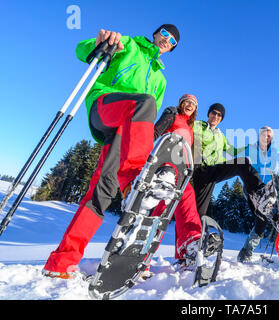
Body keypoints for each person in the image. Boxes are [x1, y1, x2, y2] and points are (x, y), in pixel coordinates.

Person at [43, 24, 180, 279]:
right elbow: (81, 50)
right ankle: (135, 181)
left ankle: (61, 262)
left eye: (172, 40)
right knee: (145, 103)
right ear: (155, 33)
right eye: (164, 33)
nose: (167, 40)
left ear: (172, 48)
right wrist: (100, 42)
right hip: (105, 106)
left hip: (126, 131)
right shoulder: (128, 44)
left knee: (102, 191)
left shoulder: (160, 79)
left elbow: (145, 123)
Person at [149, 94, 202, 269]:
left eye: (193, 104)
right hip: (166, 166)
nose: (190, 105)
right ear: (181, 103)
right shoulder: (173, 115)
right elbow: (155, 132)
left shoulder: (190, 127)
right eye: (187, 102)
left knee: (184, 202)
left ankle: (189, 246)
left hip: (182, 171)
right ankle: (141, 253)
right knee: (162, 208)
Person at [192, 103, 269, 219]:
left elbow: (233, 152)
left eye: (219, 115)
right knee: (196, 212)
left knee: (242, 162)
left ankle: (259, 193)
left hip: (213, 171)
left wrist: (252, 146)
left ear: (221, 119)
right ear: (209, 113)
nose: (216, 116)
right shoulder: (197, 125)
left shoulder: (220, 136)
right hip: (199, 169)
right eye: (214, 112)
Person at [236, 126, 279, 262]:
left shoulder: (276, 153)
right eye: (263, 135)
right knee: (262, 216)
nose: (266, 138)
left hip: (269, 190)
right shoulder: (251, 149)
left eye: (269, 135)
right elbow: (240, 163)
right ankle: (276, 220)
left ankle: (246, 251)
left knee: (261, 221)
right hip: (253, 188)